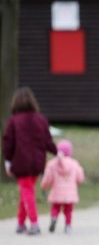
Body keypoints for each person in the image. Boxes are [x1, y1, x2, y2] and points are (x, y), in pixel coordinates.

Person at [2, 87, 57, 235]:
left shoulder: (13, 121)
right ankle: (20, 223)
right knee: (26, 191)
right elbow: (47, 140)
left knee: (27, 192)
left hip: (21, 162)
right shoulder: (41, 119)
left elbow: (8, 143)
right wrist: (57, 152)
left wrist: (8, 162)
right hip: (37, 163)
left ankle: (34, 223)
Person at [40, 139, 85, 234]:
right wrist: (78, 182)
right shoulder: (74, 163)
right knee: (68, 210)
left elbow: (47, 178)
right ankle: (68, 226)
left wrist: (43, 186)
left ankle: (54, 217)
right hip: (70, 193)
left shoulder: (52, 164)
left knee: (55, 207)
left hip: (56, 192)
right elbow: (80, 177)